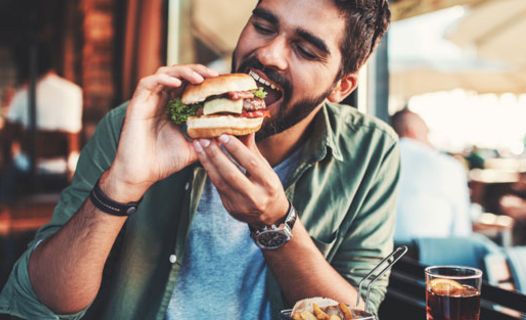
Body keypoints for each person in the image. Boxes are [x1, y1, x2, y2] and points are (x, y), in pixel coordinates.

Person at [0, 1, 400, 319]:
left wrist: (276, 222)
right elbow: (35, 306)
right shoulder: (136, 124)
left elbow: (359, 313)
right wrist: (121, 185)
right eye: (263, 26)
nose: (269, 54)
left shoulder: (371, 153)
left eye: (306, 50)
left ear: (342, 86)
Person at [0, 43, 82, 203]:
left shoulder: (23, 94)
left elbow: (6, 136)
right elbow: (74, 133)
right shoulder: (74, 92)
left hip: (30, 168)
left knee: (6, 174)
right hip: (66, 167)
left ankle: (6, 211)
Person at [391, 108, 472, 244]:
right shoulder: (447, 165)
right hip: (428, 253)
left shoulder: (376, 160)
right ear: (412, 130)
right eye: (427, 131)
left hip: (383, 255)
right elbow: (461, 229)